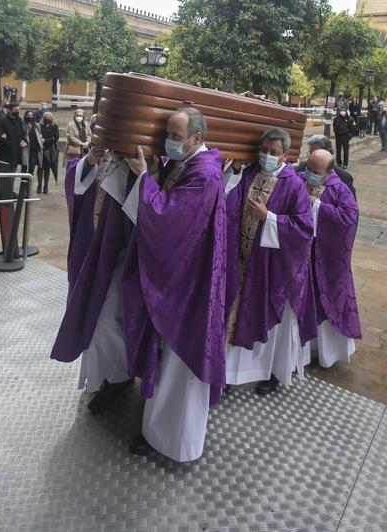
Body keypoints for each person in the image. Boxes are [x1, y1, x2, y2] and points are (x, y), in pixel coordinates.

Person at [118, 107, 227, 462]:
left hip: (190, 288)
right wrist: (152, 173)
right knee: (167, 364)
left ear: (197, 137)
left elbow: (169, 218)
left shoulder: (206, 173)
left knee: (181, 369)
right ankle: (155, 431)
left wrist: (143, 180)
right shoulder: (185, 163)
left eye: (176, 136)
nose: (169, 142)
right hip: (180, 278)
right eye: (168, 134)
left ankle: (174, 442)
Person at [51, 143, 140, 425]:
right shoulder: (101, 158)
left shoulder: (140, 161)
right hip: (89, 254)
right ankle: (101, 377)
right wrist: (90, 160)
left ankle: (118, 379)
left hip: (120, 260)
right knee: (92, 319)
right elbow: (76, 185)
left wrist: (142, 177)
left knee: (105, 322)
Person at [223, 127, 316, 397]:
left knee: (266, 322)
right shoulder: (250, 172)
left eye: (274, 153)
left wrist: (270, 218)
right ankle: (227, 373)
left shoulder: (293, 183)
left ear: (285, 156)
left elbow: (304, 229)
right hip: (240, 259)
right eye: (263, 150)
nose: (267, 156)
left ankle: (269, 373)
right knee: (231, 317)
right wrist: (236, 170)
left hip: (270, 266)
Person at [298, 149, 361, 368]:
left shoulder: (340, 190)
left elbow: (349, 219)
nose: (310, 174)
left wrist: (316, 205)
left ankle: (327, 353)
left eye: (316, 172)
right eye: (308, 168)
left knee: (326, 302)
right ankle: (300, 354)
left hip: (325, 257)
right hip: (301, 256)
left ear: (328, 172)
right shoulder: (298, 180)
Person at [0, 102, 28, 171]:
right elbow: (1, 137)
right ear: (10, 110)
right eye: (15, 110)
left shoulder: (19, 120)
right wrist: (12, 145)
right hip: (5, 154)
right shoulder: (3, 121)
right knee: (5, 176)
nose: (17, 111)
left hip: (16, 154)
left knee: (13, 173)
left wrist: (24, 141)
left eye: (18, 109)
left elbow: (22, 133)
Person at [39, 112, 59, 193]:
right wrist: (49, 138)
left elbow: (56, 138)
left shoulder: (55, 126)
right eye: (46, 116)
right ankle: (39, 185)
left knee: (47, 169)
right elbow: (39, 136)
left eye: (49, 116)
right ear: (43, 118)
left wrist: (45, 140)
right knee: (40, 168)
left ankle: (45, 186)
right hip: (41, 149)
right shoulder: (40, 126)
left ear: (52, 118)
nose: (48, 118)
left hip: (50, 149)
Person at [22, 109, 43, 184]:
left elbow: (39, 135)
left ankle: (28, 187)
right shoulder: (22, 125)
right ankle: (23, 189)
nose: (30, 117)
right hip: (25, 149)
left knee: (31, 168)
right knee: (24, 167)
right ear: (25, 116)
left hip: (34, 150)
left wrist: (41, 141)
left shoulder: (36, 125)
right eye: (28, 115)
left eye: (31, 115)